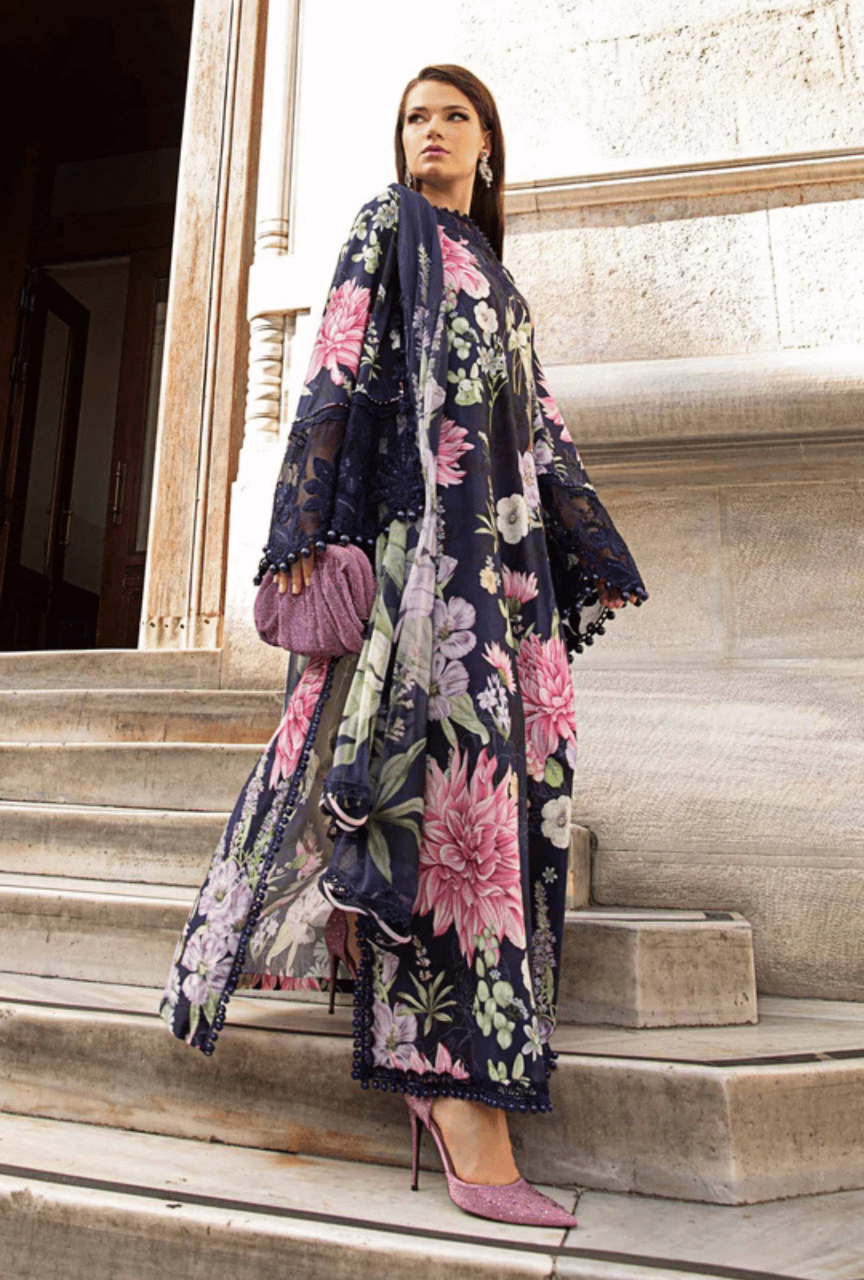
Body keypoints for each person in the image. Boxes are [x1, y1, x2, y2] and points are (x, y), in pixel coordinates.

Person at [160, 64, 646, 1229]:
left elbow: (539, 436)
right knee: (421, 798)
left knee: (487, 807)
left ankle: (452, 1072)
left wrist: (576, 563)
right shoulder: (390, 228)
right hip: (410, 567)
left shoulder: (503, 282)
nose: (429, 133)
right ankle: (456, 1098)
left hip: (496, 588)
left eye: (453, 117)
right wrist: (300, 533)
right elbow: (331, 372)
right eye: (414, 118)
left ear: (489, 146)